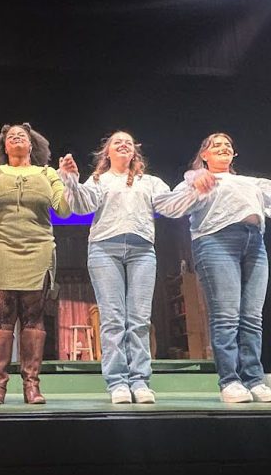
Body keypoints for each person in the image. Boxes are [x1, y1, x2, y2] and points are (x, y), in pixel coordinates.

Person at [171, 133, 271, 404]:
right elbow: (172, 208)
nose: (223, 148)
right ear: (204, 155)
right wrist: (194, 182)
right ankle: (230, 381)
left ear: (234, 155)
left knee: (252, 317)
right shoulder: (198, 179)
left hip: (254, 241)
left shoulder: (253, 182)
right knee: (226, 316)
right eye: (215, 145)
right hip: (216, 240)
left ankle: (254, 380)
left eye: (228, 146)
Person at [59, 131, 200, 403]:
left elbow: (170, 206)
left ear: (134, 152)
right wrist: (71, 181)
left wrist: (194, 190)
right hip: (104, 250)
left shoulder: (150, 182)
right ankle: (117, 383)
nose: (123, 144)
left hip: (142, 251)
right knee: (112, 318)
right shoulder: (99, 180)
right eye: (116, 142)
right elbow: (80, 206)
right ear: (107, 153)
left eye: (128, 142)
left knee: (139, 319)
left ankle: (140, 381)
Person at [0, 123, 71, 405]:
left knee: (33, 317)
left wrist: (68, 182)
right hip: (2, 248)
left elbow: (63, 210)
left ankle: (31, 385)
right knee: (2, 316)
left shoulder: (47, 173)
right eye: (10, 136)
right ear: (3, 146)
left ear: (32, 145)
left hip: (37, 249)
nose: (16, 137)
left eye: (22, 136)